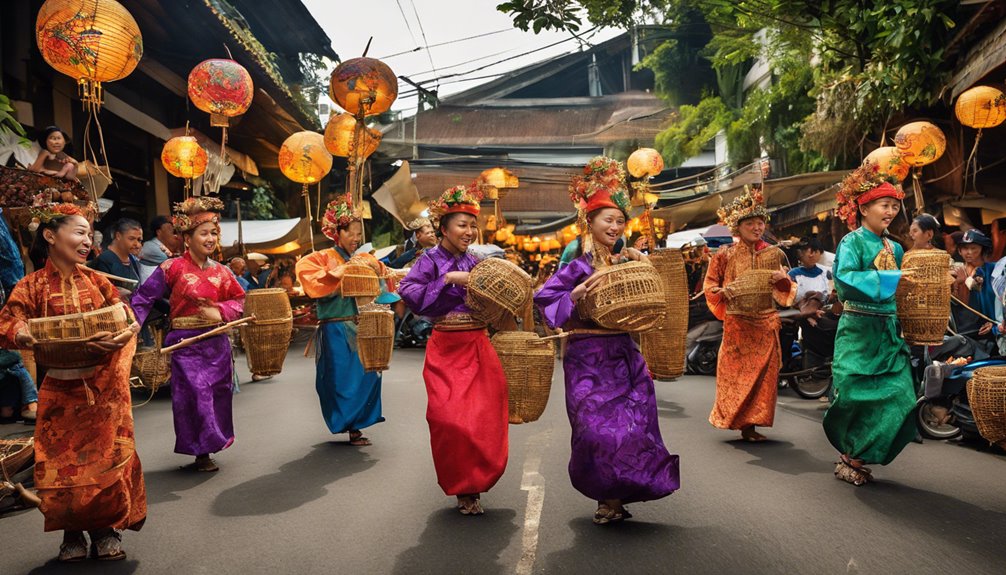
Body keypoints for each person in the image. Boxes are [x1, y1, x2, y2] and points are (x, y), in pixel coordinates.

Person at [534, 156, 679, 525]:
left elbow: (652, 299)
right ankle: (604, 492)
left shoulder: (626, 261)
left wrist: (642, 265)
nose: (614, 227)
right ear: (589, 221)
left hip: (624, 353)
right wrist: (578, 294)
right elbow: (545, 301)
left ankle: (619, 493)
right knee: (595, 431)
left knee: (635, 426)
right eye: (607, 220)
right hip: (585, 358)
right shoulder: (576, 265)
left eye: (619, 221)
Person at [0, 202, 145, 561]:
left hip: (100, 389)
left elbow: (128, 319)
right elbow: (9, 320)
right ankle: (71, 534)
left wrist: (120, 338)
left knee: (102, 465)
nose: (87, 241)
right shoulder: (30, 285)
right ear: (50, 235)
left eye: (88, 234)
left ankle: (104, 529)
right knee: (60, 469)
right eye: (79, 232)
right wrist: (23, 335)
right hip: (58, 389)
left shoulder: (98, 282)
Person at [398, 183, 508, 516]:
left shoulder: (478, 262)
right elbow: (409, 291)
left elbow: (498, 299)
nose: (470, 231)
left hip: (477, 345)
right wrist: (447, 281)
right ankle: (461, 484)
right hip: (445, 347)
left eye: (473, 225)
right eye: (462, 225)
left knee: (482, 418)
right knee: (448, 419)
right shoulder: (429, 260)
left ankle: (473, 485)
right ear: (443, 228)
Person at [824, 162, 923, 485]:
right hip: (858, 329)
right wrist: (893, 278)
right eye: (885, 205)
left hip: (888, 331)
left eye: (895, 206)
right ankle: (849, 455)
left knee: (901, 394)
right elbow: (845, 279)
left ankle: (859, 454)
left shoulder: (894, 246)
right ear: (864, 208)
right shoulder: (852, 243)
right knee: (853, 393)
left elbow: (898, 286)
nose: (891, 211)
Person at [130, 197, 244, 472]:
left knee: (216, 395)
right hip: (184, 344)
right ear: (186, 237)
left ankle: (211, 444)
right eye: (203, 233)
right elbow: (145, 298)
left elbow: (239, 301)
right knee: (195, 394)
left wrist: (219, 310)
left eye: (213, 233)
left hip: (216, 344)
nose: (210, 239)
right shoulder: (171, 268)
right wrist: (132, 324)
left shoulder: (222, 271)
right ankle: (200, 451)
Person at [703, 187, 795, 442]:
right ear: (738, 226)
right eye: (751, 223)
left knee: (764, 378)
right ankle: (735, 419)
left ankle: (751, 425)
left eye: (760, 223)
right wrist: (721, 290)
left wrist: (782, 280)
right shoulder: (724, 254)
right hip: (738, 325)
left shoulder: (773, 253)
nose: (757, 228)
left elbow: (785, 292)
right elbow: (709, 284)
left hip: (765, 323)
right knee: (736, 376)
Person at [295, 194, 386, 446]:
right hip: (335, 326)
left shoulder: (365, 257)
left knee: (369, 374)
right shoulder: (317, 258)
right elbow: (314, 284)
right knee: (340, 379)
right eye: (351, 233)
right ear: (337, 233)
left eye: (359, 234)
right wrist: (344, 271)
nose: (356, 239)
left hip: (363, 323)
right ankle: (347, 423)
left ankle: (358, 423)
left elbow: (383, 283)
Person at [951, 229, 997, 350]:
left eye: (974, 248)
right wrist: (960, 283)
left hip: (993, 330)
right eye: (965, 248)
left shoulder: (995, 270)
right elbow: (959, 305)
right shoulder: (953, 272)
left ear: (983, 249)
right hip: (964, 333)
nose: (969, 252)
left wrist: (996, 324)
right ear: (960, 251)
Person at [88, 218, 143, 299]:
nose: (137, 244)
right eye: (131, 239)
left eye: (139, 240)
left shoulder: (133, 260)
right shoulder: (104, 260)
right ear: (118, 236)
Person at [138, 215, 179, 284]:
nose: (173, 232)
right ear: (159, 232)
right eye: (169, 228)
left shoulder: (161, 246)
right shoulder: (151, 247)